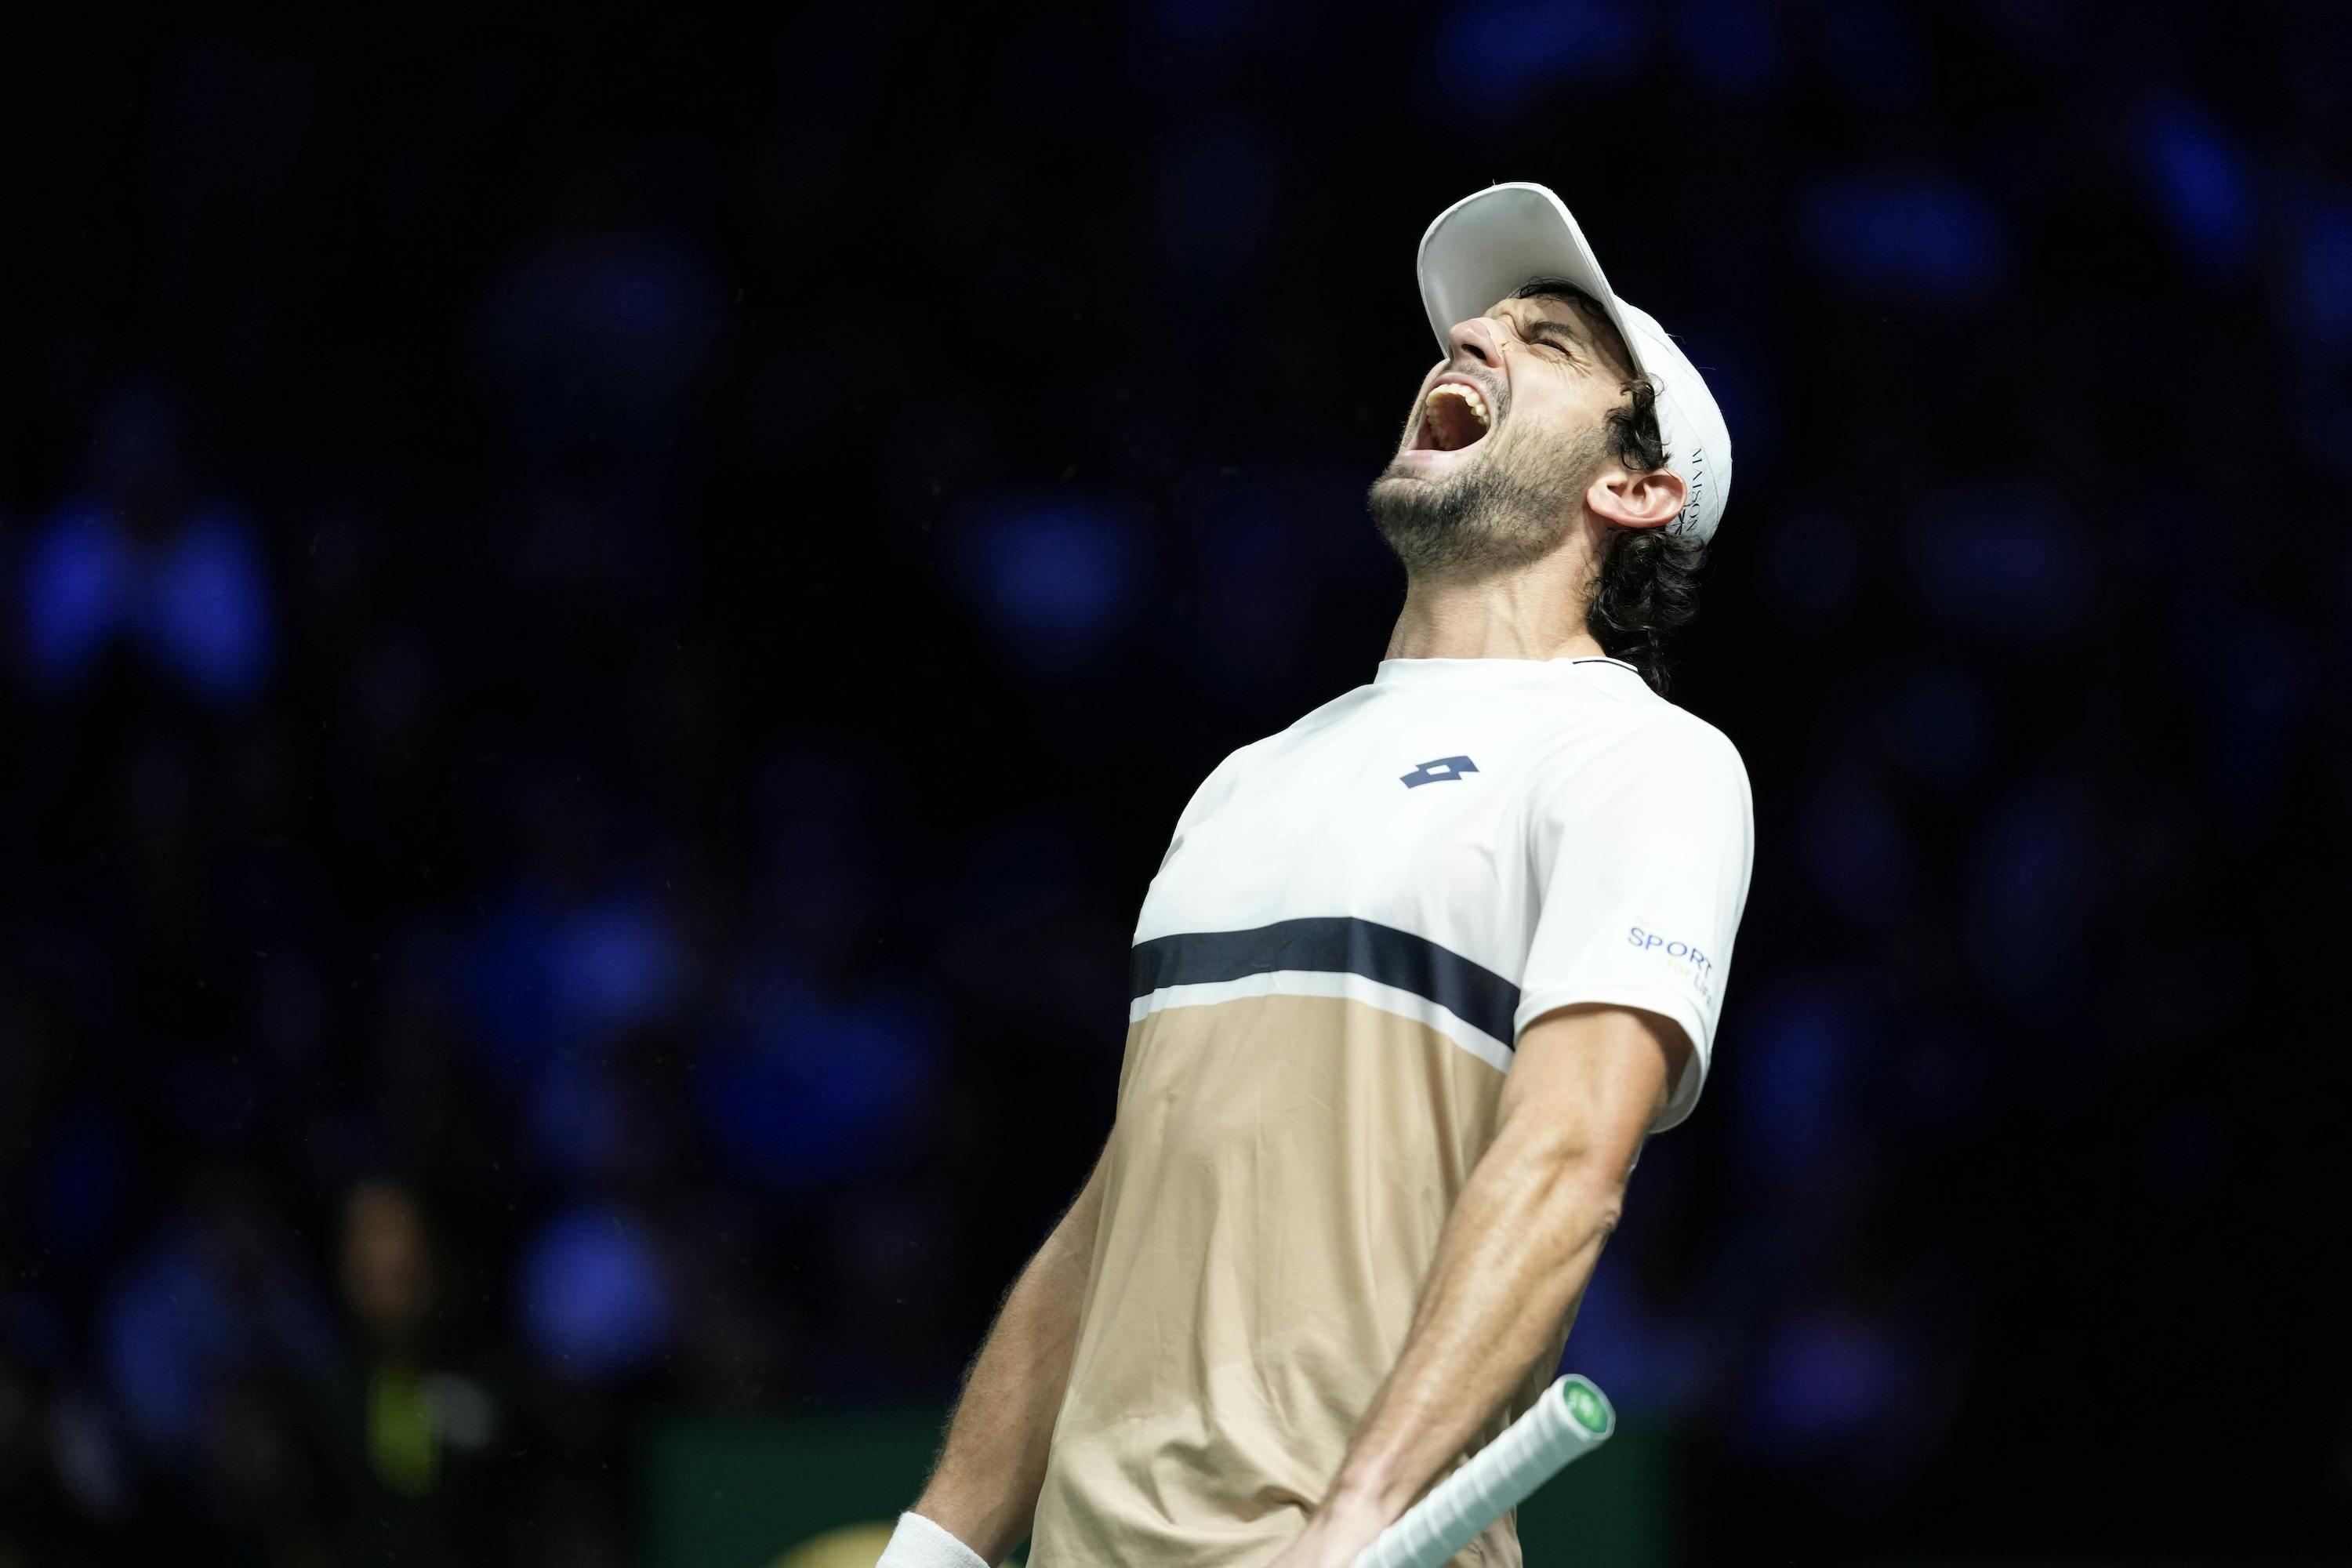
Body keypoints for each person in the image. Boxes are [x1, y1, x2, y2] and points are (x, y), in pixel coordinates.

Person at [878, 183, 1754, 1568]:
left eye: (1545, 342)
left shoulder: (1644, 763)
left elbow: (1568, 1164)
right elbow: (1124, 1206)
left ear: (1634, 489)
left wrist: (1357, 1518)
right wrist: (933, 1550)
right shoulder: (1248, 781)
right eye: (1474, 323)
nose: (1471, 336)